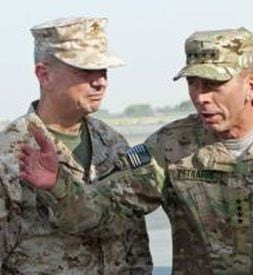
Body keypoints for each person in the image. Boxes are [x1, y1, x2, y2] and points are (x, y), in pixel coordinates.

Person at [20, 27, 253, 274]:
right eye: (194, 83)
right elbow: (105, 210)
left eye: (214, 84)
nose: (201, 97)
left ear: (251, 84)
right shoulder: (171, 147)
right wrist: (59, 185)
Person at [0, 17, 154, 274]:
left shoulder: (113, 143)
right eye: (85, 71)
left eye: (103, 70)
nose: (100, 82)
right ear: (44, 74)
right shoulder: (9, 154)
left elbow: (134, 241)